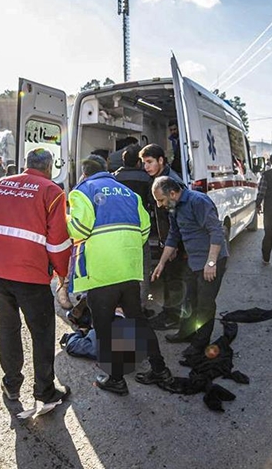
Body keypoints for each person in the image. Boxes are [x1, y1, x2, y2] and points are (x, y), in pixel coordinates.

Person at [67, 155, 170, 395]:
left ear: (84, 173)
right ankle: (160, 369)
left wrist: (66, 220)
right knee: (138, 321)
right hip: (129, 270)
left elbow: (79, 229)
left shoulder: (82, 191)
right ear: (106, 170)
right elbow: (145, 229)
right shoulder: (128, 193)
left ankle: (115, 379)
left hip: (103, 272)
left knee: (103, 328)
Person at [0, 148, 71, 406]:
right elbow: (58, 243)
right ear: (49, 167)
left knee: (7, 326)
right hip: (30, 274)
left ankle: (11, 385)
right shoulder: (52, 191)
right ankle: (44, 390)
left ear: (26, 164)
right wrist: (62, 274)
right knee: (42, 332)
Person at [151, 175, 229, 359]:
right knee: (188, 299)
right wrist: (161, 263)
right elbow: (173, 235)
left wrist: (211, 263)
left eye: (161, 200)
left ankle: (200, 343)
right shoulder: (174, 206)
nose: (160, 205)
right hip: (194, 261)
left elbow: (216, 231)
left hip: (211, 260)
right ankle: (186, 333)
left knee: (204, 304)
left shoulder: (198, 201)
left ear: (172, 193)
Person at [139, 144, 189, 333]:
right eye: (144, 163)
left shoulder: (171, 182)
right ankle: (170, 314)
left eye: (149, 162)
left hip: (175, 240)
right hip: (167, 238)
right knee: (169, 276)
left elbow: (177, 217)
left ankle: (173, 318)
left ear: (161, 160)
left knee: (174, 278)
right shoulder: (158, 179)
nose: (146, 167)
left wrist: (173, 244)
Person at [114, 143, 156, 309]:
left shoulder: (114, 178)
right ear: (139, 162)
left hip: (117, 231)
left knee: (121, 267)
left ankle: (120, 305)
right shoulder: (146, 178)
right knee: (143, 269)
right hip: (139, 230)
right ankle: (141, 306)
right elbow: (153, 202)